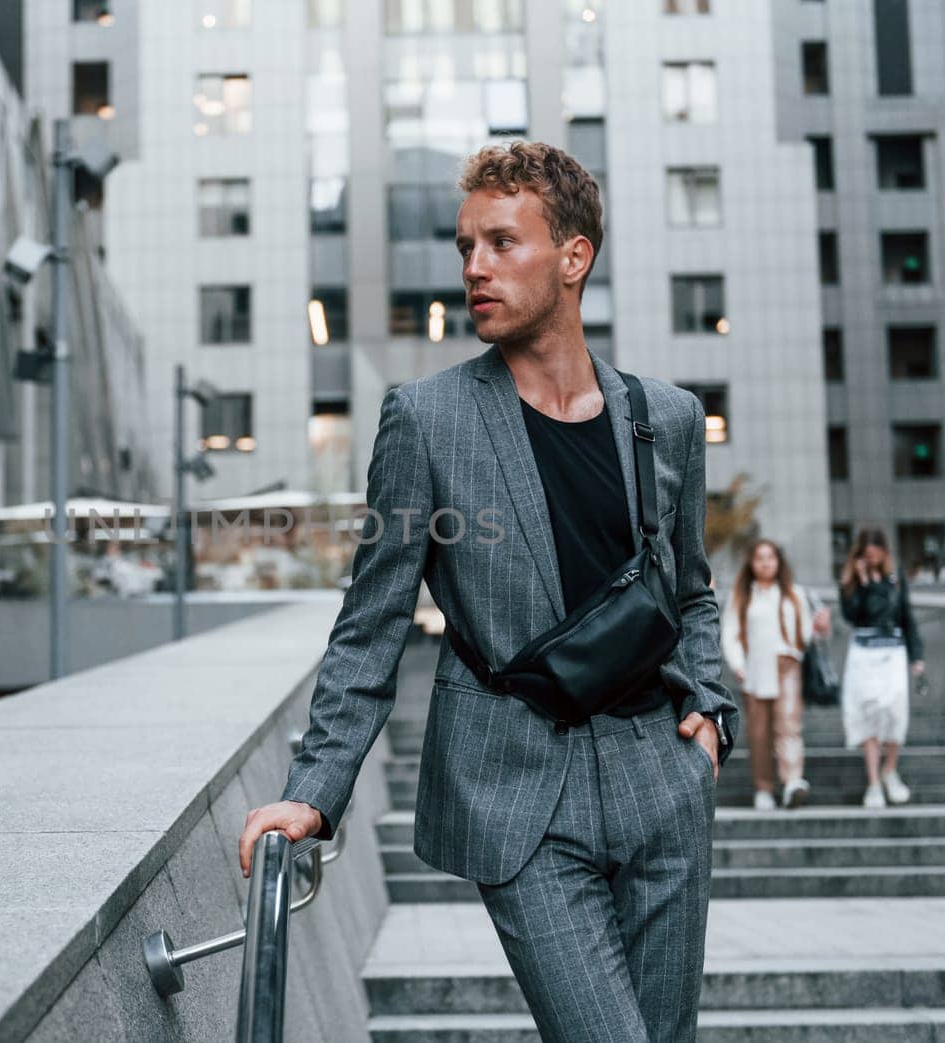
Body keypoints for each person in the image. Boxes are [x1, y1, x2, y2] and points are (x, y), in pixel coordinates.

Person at [237, 140, 736, 1043]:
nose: (473, 267)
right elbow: (371, 622)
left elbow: (691, 590)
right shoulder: (426, 421)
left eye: (502, 243)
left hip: (660, 782)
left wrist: (709, 708)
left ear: (574, 257)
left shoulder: (662, 418)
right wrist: (315, 788)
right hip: (519, 791)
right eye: (466, 245)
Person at [720, 539, 831, 810]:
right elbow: (730, 633)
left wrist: (819, 628)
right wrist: (738, 665)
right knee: (759, 733)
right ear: (752, 563)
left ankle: (792, 780)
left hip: (788, 667)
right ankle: (764, 787)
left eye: (770, 557)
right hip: (756, 671)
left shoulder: (794, 593)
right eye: (760, 558)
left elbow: (805, 635)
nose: (766, 563)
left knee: (789, 727)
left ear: (779, 561)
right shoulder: (743, 595)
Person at [838, 526, 925, 808]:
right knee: (869, 712)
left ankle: (890, 769)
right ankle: (873, 780)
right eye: (867, 555)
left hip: (894, 651)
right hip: (864, 652)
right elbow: (853, 616)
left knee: (895, 710)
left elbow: (907, 617)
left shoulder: (895, 578)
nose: (872, 559)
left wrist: (917, 657)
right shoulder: (852, 580)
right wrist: (862, 582)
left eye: (876, 554)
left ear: (884, 552)